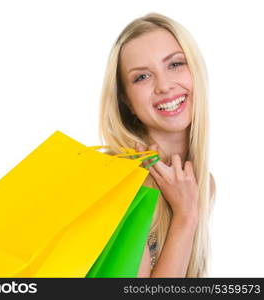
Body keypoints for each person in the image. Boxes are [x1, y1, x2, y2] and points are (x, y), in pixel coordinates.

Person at [98, 12, 216, 277]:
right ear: (125, 100)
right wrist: (185, 217)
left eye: (175, 64)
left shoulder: (202, 183)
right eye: (142, 77)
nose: (164, 86)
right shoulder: (124, 180)